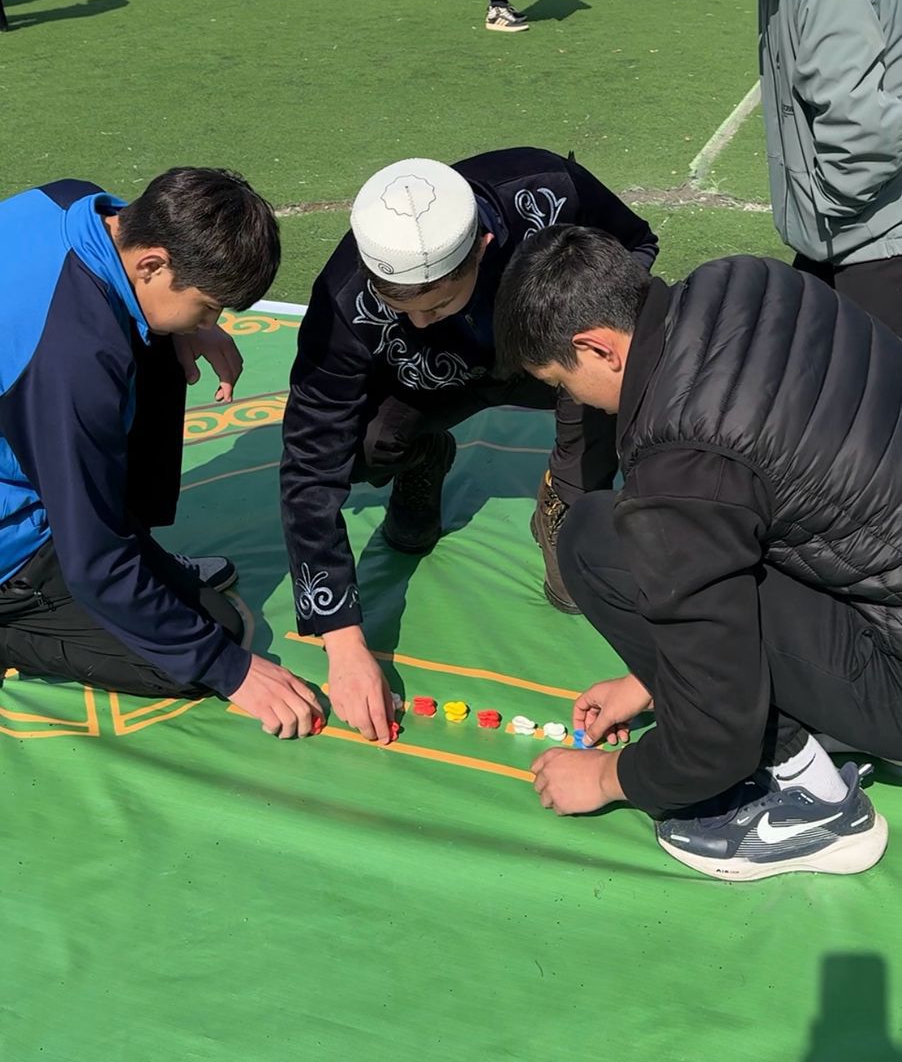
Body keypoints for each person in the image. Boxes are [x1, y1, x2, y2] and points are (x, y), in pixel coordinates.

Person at [494, 225, 902, 882]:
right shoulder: (744, 279)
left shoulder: (681, 461)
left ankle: (812, 803)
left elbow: (718, 730)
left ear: (597, 348)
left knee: (597, 540)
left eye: (561, 382)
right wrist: (650, 679)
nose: (570, 400)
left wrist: (610, 777)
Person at [280, 149, 658, 746]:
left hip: (546, 361)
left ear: (482, 248)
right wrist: (342, 639)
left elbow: (637, 248)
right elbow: (309, 458)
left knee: (577, 575)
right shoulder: (343, 299)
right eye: (404, 309)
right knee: (355, 443)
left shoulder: (547, 192)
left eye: (438, 304)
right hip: (430, 383)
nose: (422, 322)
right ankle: (423, 457)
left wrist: (571, 322)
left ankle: (566, 493)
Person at [0, 168, 321, 739]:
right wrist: (228, 669)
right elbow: (94, 562)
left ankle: (131, 540)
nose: (213, 322)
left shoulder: (76, 202)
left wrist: (188, 326)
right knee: (203, 642)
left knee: (160, 338)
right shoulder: (74, 364)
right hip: (11, 551)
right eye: (209, 307)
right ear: (153, 264)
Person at [674, 0, 902, 336]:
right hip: (848, 235)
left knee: (866, 379)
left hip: (872, 246)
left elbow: (864, 133)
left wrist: (825, 204)